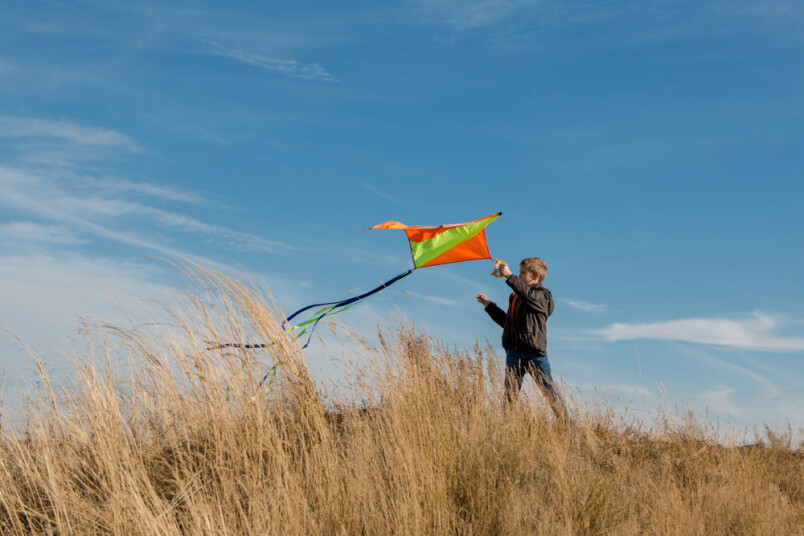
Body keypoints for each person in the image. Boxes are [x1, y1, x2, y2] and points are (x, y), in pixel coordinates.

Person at [477, 258, 568, 420]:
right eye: (518, 273)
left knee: (550, 393)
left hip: (535, 355)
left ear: (536, 276)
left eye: (522, 273)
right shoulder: (515, 297)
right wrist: (489, 306)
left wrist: (510, 277)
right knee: (509, 397)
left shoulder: (543, 296)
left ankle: (567, 425)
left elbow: (531, 299)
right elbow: (507, 323)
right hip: (514, 354)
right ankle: (507, 427)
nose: (518, 276)